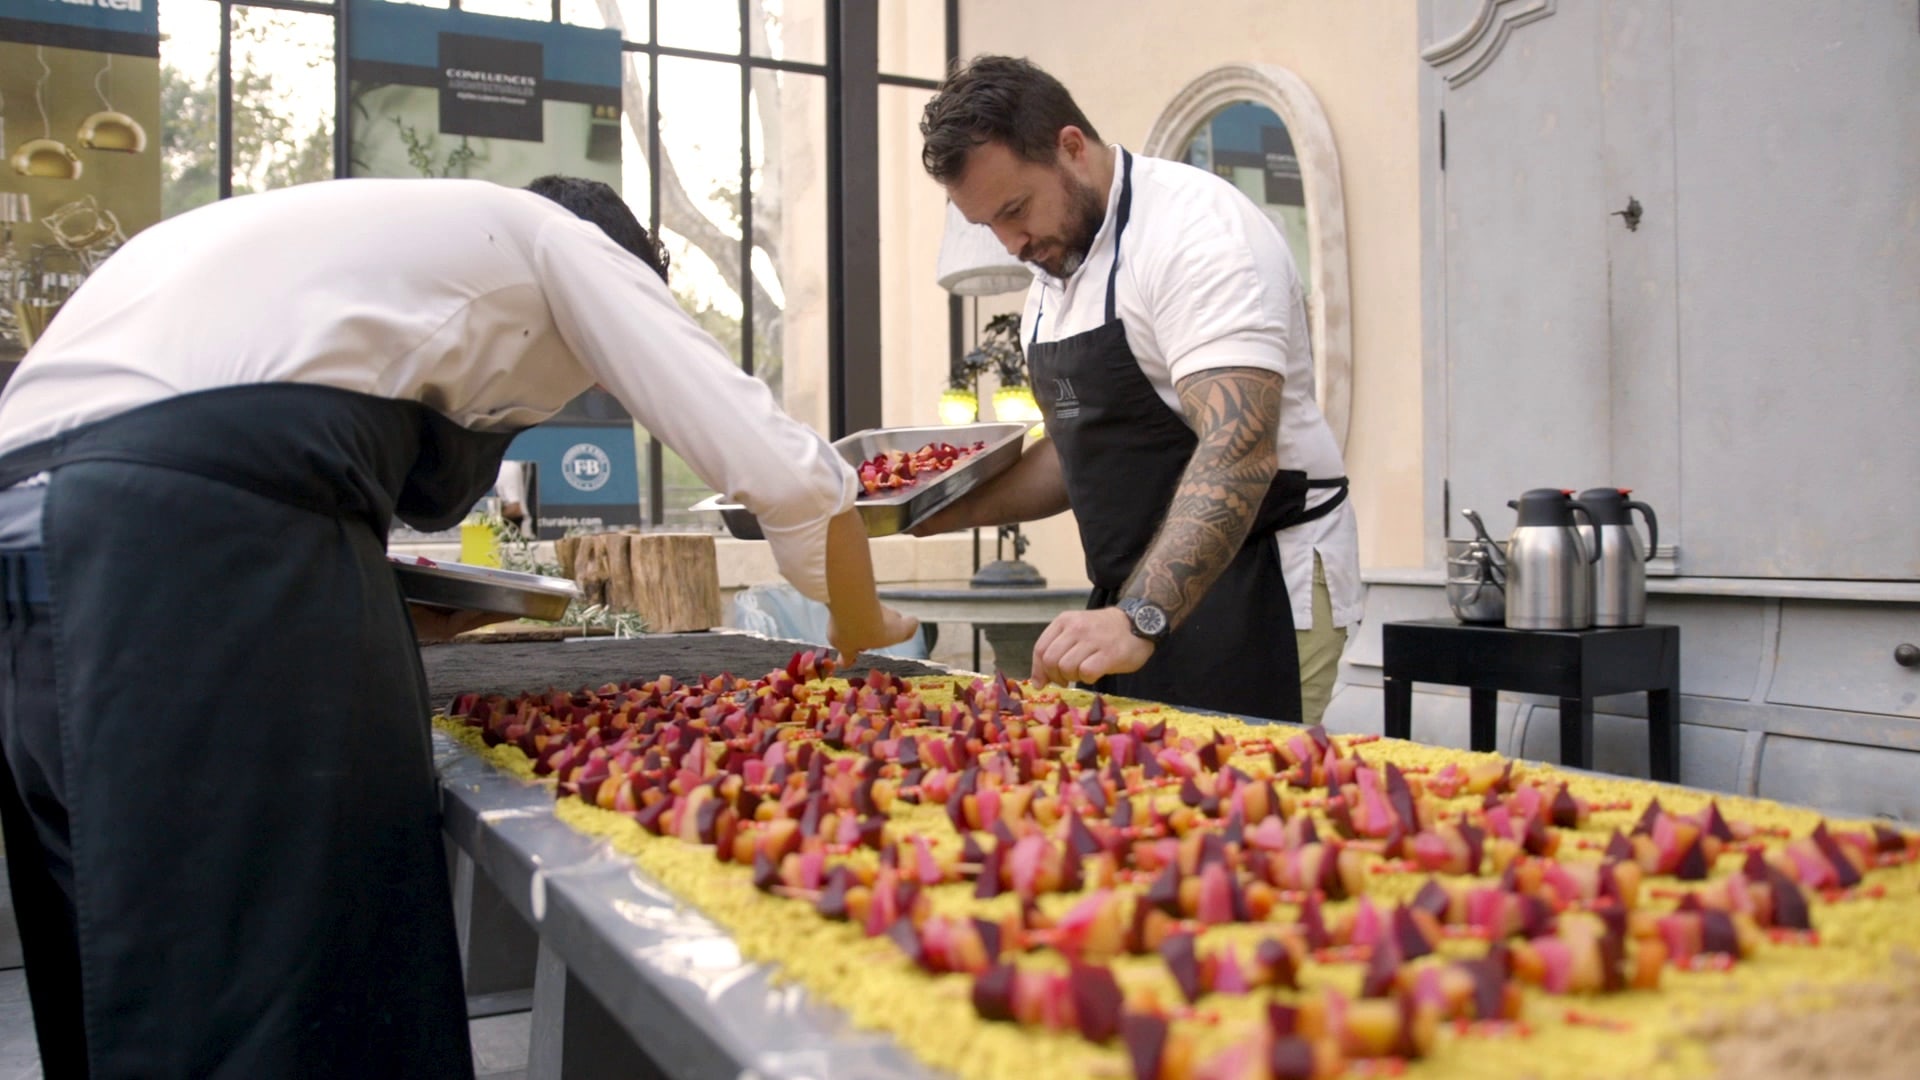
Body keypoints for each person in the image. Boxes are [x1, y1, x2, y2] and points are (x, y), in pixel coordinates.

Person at [0, 174, 916, 1077]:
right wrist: (861, 620)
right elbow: (790, 479)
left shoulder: (363, 241)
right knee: (276, 978)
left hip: (37, 563)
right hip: (186, 536)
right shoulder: (557, 239)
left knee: (117, 956)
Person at [915, 56, 1361, 726]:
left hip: (1258, 585)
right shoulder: (1054, 272)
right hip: (1135, 603)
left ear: (1071, 147)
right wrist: (919, 511)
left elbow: (1238, 449)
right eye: (990, 226)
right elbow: (1076, 454)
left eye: (1016, 209)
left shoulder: (1198, 234)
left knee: (1240, 818)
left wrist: (1142, 614)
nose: (1011, 243)